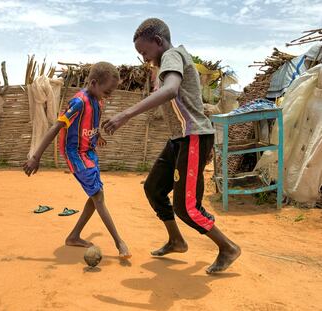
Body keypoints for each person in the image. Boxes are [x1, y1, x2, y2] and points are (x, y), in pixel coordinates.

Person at [102, 18, 240, 273]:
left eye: (144, 52)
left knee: (186, 207)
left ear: (158, 42)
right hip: (180, 139)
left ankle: (228, 247)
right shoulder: (164, 63)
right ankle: (176, 240)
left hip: (194, 137)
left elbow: (171, 90)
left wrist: (125, 115)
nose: (144, 58)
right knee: (154, 188)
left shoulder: (172, 55)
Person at [23, 62, 131, 259]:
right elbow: (56, 127)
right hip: (75, 154)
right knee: (98, 196)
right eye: (107, 91)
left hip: (89, 152)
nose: (109, 96)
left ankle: (73, 236)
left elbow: (91, 122)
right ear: (93, 83)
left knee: (95, 195)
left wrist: (96, 135)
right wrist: (35, 157)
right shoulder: (78, 102)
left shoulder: (98, 100)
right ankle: (119, 242)